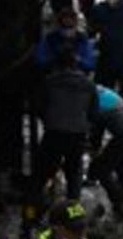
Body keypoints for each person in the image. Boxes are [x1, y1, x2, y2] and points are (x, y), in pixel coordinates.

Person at [34, 53, 97, 206]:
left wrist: (49, 121)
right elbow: (93, 112)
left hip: (54, 132)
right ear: (76, 65)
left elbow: (39, 107)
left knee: (40, 177)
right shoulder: (88, 85)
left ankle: (30, 219)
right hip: (77, 134)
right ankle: (73, 218)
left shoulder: (49, 82)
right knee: (74, 178)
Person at [85, 85, 123, 217]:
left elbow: (97, 128)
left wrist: (93, 148)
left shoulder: (89, 98)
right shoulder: (100, 91)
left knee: (102, 170)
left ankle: (119, 205)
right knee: (122, 169)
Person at [34, 7, 97, 75]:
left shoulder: (83, 40)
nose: (67, 32)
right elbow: (40, 62)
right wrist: (57, 58)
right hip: (55, 76)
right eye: (64, 28)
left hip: (78, 77)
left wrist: (77, 59)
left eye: (70, 28)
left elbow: (91, 65)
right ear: (58, 26)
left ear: (75, 26)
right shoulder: (50, 39)